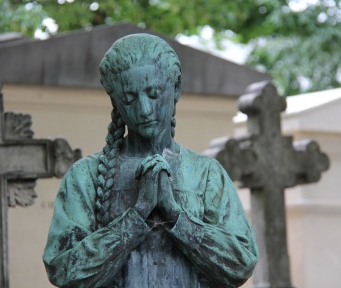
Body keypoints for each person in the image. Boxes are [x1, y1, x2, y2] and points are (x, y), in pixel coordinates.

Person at [43, 33, 258, 288]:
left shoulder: (206, 174)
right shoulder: (85, 177)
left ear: (176, 87)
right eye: (130, 98)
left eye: (154, 93)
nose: (144, 110)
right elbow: (63, 269)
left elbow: (241, 263)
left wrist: (176, 217)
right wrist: (136, 216)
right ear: (115, 101)